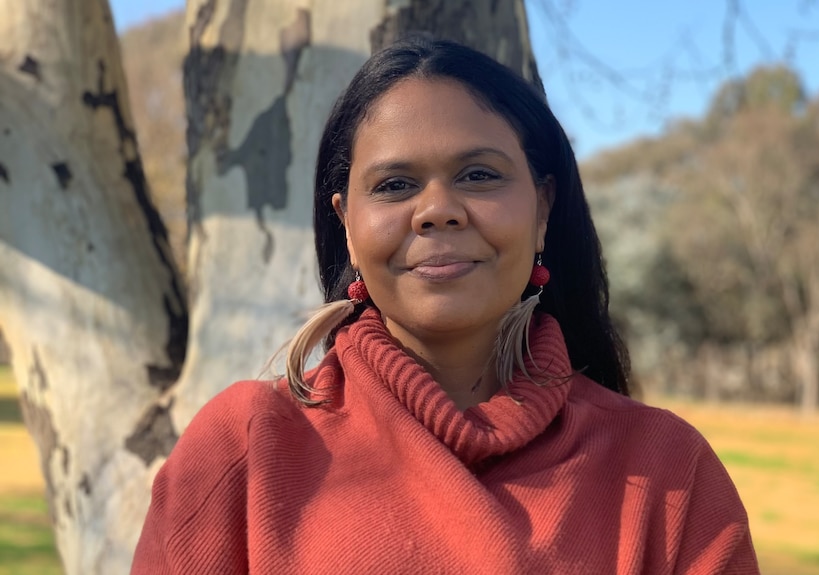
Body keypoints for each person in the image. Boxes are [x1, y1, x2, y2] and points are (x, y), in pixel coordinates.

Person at [132, 37, 759, 574]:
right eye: (395, 185)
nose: (438, 209)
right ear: (347, 224)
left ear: (543, 207)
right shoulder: (244, 451)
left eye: (479, 175)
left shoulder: (667, 472)